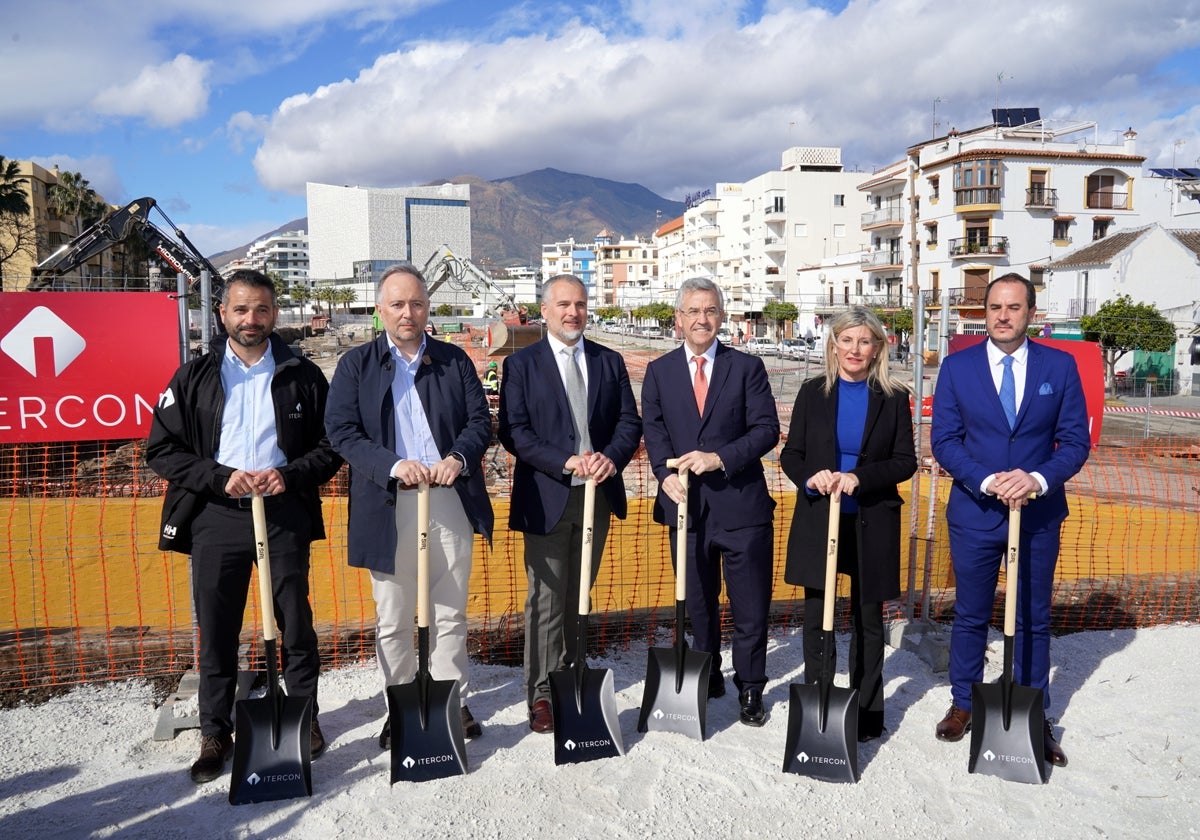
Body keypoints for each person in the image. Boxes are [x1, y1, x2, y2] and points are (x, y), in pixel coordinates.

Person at [146, 268, 342, 784]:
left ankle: (304, 716)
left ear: (274, 314)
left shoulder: (303, 374)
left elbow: (331, 448)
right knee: (217, 629)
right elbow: (161, 450)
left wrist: (288, 475)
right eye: (240, 309)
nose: (250, 319)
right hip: (216, 516)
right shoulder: (193, 377)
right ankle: (216, 730)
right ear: (222, 313)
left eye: (260, 309)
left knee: (294, 623)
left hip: (282, 516)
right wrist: (219, 477)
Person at [324, 263, 494, 746]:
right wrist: (393, 465)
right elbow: (341, 431)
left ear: (427, 308)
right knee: (394, 615)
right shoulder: (356, 365)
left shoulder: (454, 360)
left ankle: (450, 700)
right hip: (387, 500)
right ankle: (399, 703)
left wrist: (457, 459)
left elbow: (480, 422)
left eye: (416, 303)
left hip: (448, 498)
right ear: (380, 310)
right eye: (397, 304)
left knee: (449, 610)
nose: (407, 312)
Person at [930, 272, 1090, 767]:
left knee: (1032, 616)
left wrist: (1037, 480)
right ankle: (964, 702)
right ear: (985, 313)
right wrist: (987, 480)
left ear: (1031, 313)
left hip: (1037, 514)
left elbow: (1075, 443)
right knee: (972, 614)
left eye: (1013, 307)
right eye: (994, 307)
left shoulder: (1060, 368)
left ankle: (1032, 712)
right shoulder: (957, 368)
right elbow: (945, 441)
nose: (1002, 315)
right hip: (976, 512)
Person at [496, 274, 642, 733]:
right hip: (547, 496)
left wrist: (610, 459)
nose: (572, 312)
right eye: (563, 304)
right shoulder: (521, 365)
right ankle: (541, 693)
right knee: (546, 599)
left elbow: (628, 423)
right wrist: (566, 462)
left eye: (580, 304)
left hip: (597, 496)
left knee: (581, 592)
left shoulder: (609, 360)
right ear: (544, 310)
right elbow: (514, 432)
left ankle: (573, 678)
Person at [641, 277, 780, 726]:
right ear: (678, 319)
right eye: (693, 312)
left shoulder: (747, 368)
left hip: (742, 507)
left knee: (750, 603)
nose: (703, 320)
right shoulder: (660, 372)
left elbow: (765, 431)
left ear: (722, 316)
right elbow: (655, 431)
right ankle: (707, 672)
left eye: (711, 311)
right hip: (686, 509)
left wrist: (719, 457)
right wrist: (664, 475)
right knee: (698, 602)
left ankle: (751, 687)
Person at [779, 306, 916, 742]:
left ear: (878, 347)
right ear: (833, 344)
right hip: (821, 518)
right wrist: (811, 477)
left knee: (867, 619)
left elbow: (904, 461)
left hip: (871, 520)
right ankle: (820, 701)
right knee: (819, 615)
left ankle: (868, 709)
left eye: (864, 341)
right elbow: (792, 455)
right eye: (847, 339)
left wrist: (860, 477)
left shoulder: (893, 398)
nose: (855, 349)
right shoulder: (811, 392)